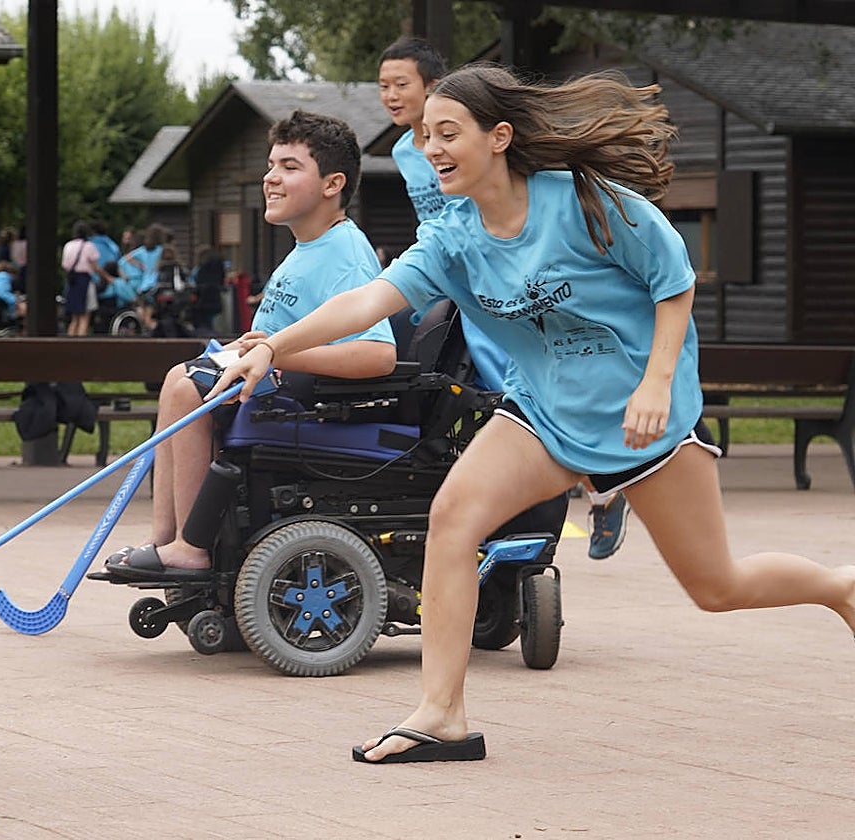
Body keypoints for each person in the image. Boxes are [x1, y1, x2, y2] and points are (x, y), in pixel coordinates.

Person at [210, 64, 855, 764]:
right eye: (426, 135)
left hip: (647, 421)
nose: (432, 148)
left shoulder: (584, 201)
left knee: (716, 587)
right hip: (544, 416)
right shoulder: (454, 237)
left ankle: (843, 589)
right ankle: (441, 716)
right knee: (454, 518)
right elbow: (367, 303)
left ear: (500, 137)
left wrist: (656, 385)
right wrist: (273, 344)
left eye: (448, 132)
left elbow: (674, 282)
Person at [103, 109, 397, 578]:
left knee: (185, 386)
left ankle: (189, 547)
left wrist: (277, 351)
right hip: (272, 382)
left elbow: (379, 354)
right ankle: (166, 537)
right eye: (271, 165)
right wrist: (255, 345)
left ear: (332, 183)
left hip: (305, 402)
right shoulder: (307, 248)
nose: (271, 178)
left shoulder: (346, 253)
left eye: (289, 167)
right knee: (178, 378)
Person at [380, 36, 630, 560]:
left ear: (433, 86)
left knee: (514, 373)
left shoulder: (482, 146)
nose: (390, 95)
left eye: (401, 84)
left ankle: (597, 483)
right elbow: (435, 223)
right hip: (450, 267)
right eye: (383, 86)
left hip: (495, 271)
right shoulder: (408, 151)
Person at [60, 220, 100, 337]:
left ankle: (69, 345)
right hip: (85, 280)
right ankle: (81, 344)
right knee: (84, 316)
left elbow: (65, 265)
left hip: (71, 281)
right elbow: (95, 266)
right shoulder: (89, 246)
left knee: (74, 317)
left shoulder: (68, 245)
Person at [189, 244, 226, 335]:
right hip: (215, 298)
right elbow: (222, 281)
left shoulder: (199, 269)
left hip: (201, 300)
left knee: (203, 325)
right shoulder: (218, 267)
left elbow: (193, 282)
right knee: (212, 322)